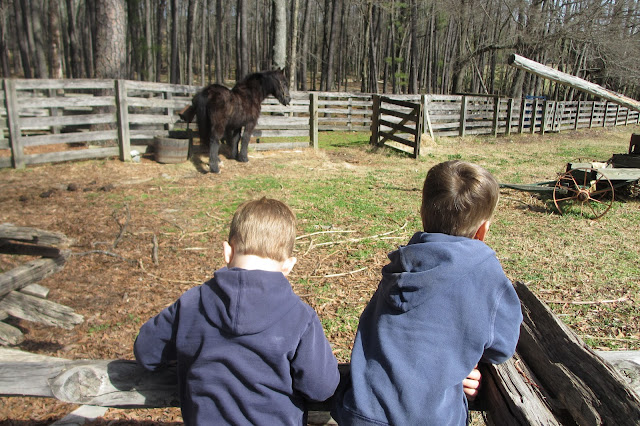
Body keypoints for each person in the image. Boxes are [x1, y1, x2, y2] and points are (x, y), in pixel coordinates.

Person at [332, 160, 523, 425]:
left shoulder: (402, 264)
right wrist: (457, 365)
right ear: (482, 230)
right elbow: (501, 348)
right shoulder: (485, 272)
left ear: (422, 213)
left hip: (362, 413)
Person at [134, 197, 340, 426]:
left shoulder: (191, 304)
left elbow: (146, 351)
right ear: (288, 264)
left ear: (227, 252)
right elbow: (321, 388)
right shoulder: (300, 317)